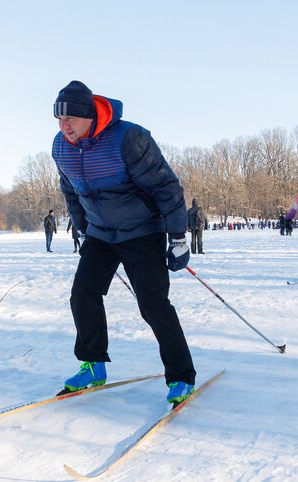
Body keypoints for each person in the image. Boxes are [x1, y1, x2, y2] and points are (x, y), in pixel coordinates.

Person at [51, 80, 195, 404]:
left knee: (153, 304)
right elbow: (71, 191)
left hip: (142, 230)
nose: (65, 126)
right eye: (59, 120)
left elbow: (166, 188)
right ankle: (93, 364)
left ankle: (182, 376)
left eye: (71, 118)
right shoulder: (61, 147)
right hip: (101, 233)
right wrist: (83, 228)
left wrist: (178, 238)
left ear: (90, 116)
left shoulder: (129, 139)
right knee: (83, 294)